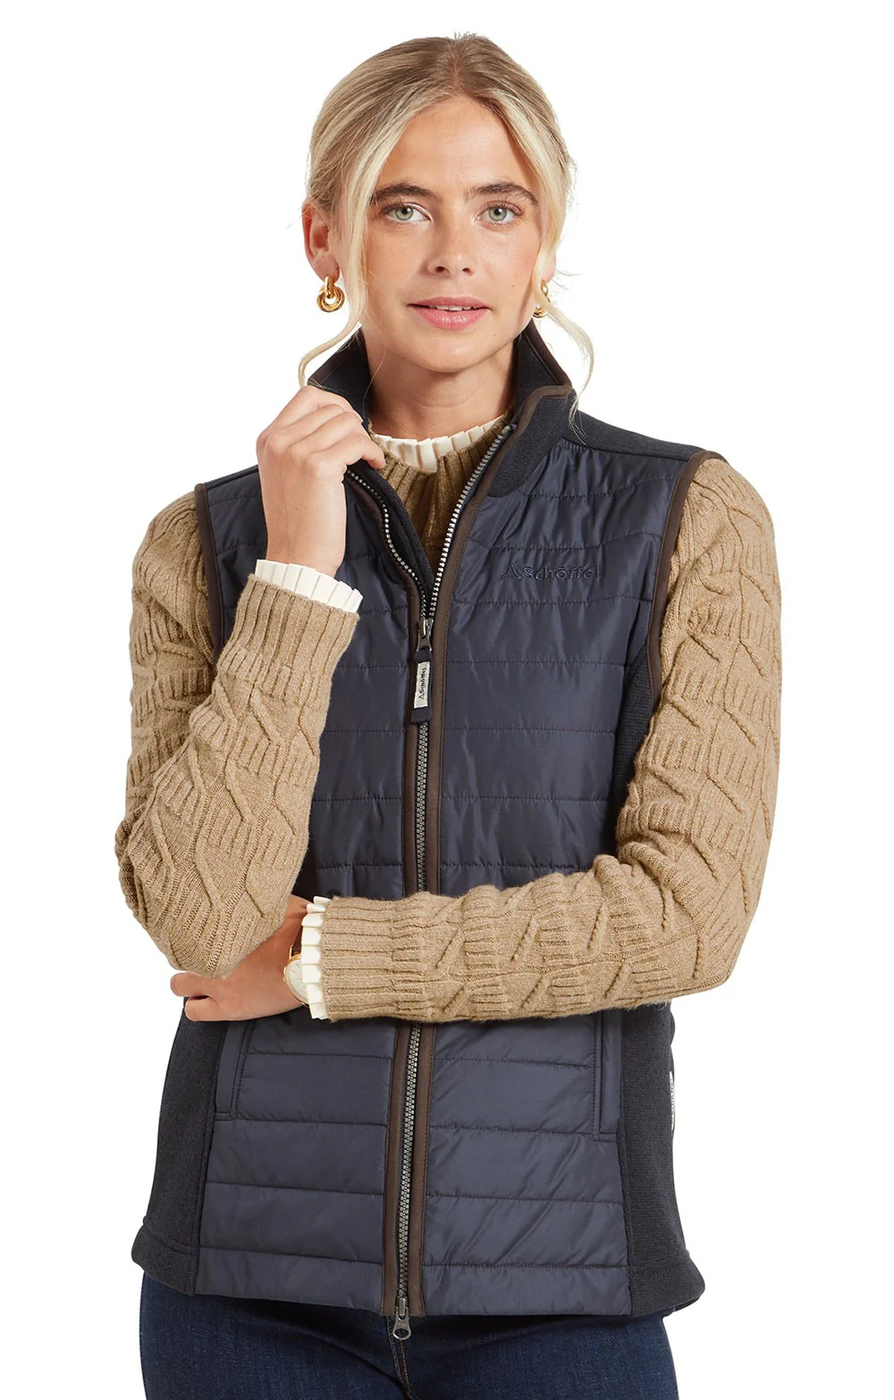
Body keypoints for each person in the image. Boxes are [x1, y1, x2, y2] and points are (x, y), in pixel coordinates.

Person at [115, 33, 782, 1400]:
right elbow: (197, 916)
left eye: (500, 208)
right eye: (403, 205)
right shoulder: (203, 543)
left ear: (544, 249)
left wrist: (322, 958)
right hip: (244, 1288)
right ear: (326, 237)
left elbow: (686, 915)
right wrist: (298, 576)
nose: (454, 254)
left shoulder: (684, 520)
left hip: (563, 1287)